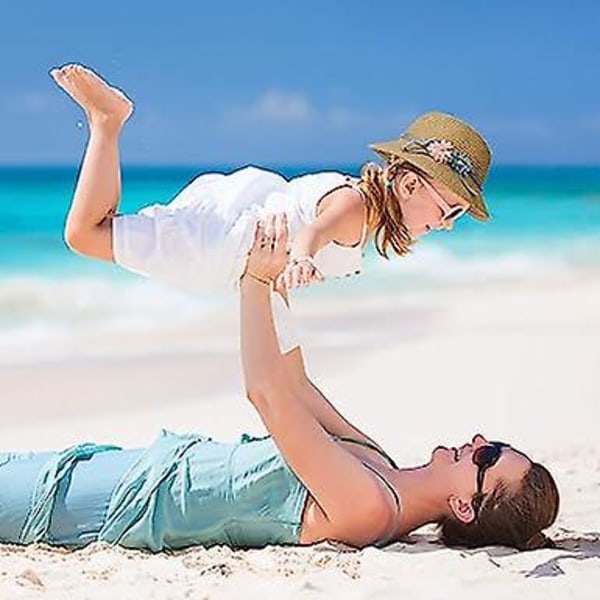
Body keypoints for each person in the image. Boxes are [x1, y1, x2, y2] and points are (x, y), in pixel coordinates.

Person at [0, 215, 559, 552]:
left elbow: (266, 396)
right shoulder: (379, 465)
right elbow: (295, 381)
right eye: (496, 444)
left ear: (466, 506)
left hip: (122, 506)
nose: (481, 440)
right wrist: (286, 271)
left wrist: (253, 282)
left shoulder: (369, 510)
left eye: (489, 457)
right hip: (135, 465)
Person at [49, 63, 493, 353]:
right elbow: (315, 232)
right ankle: (107, 123)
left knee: (100, 229)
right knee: (85, 235)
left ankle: (107, 126)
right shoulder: (356, 204)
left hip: (230, 245)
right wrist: (301, 258)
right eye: (450, 210)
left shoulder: (365, 207)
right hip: (218, 248)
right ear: (411, 184)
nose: (448, 225)